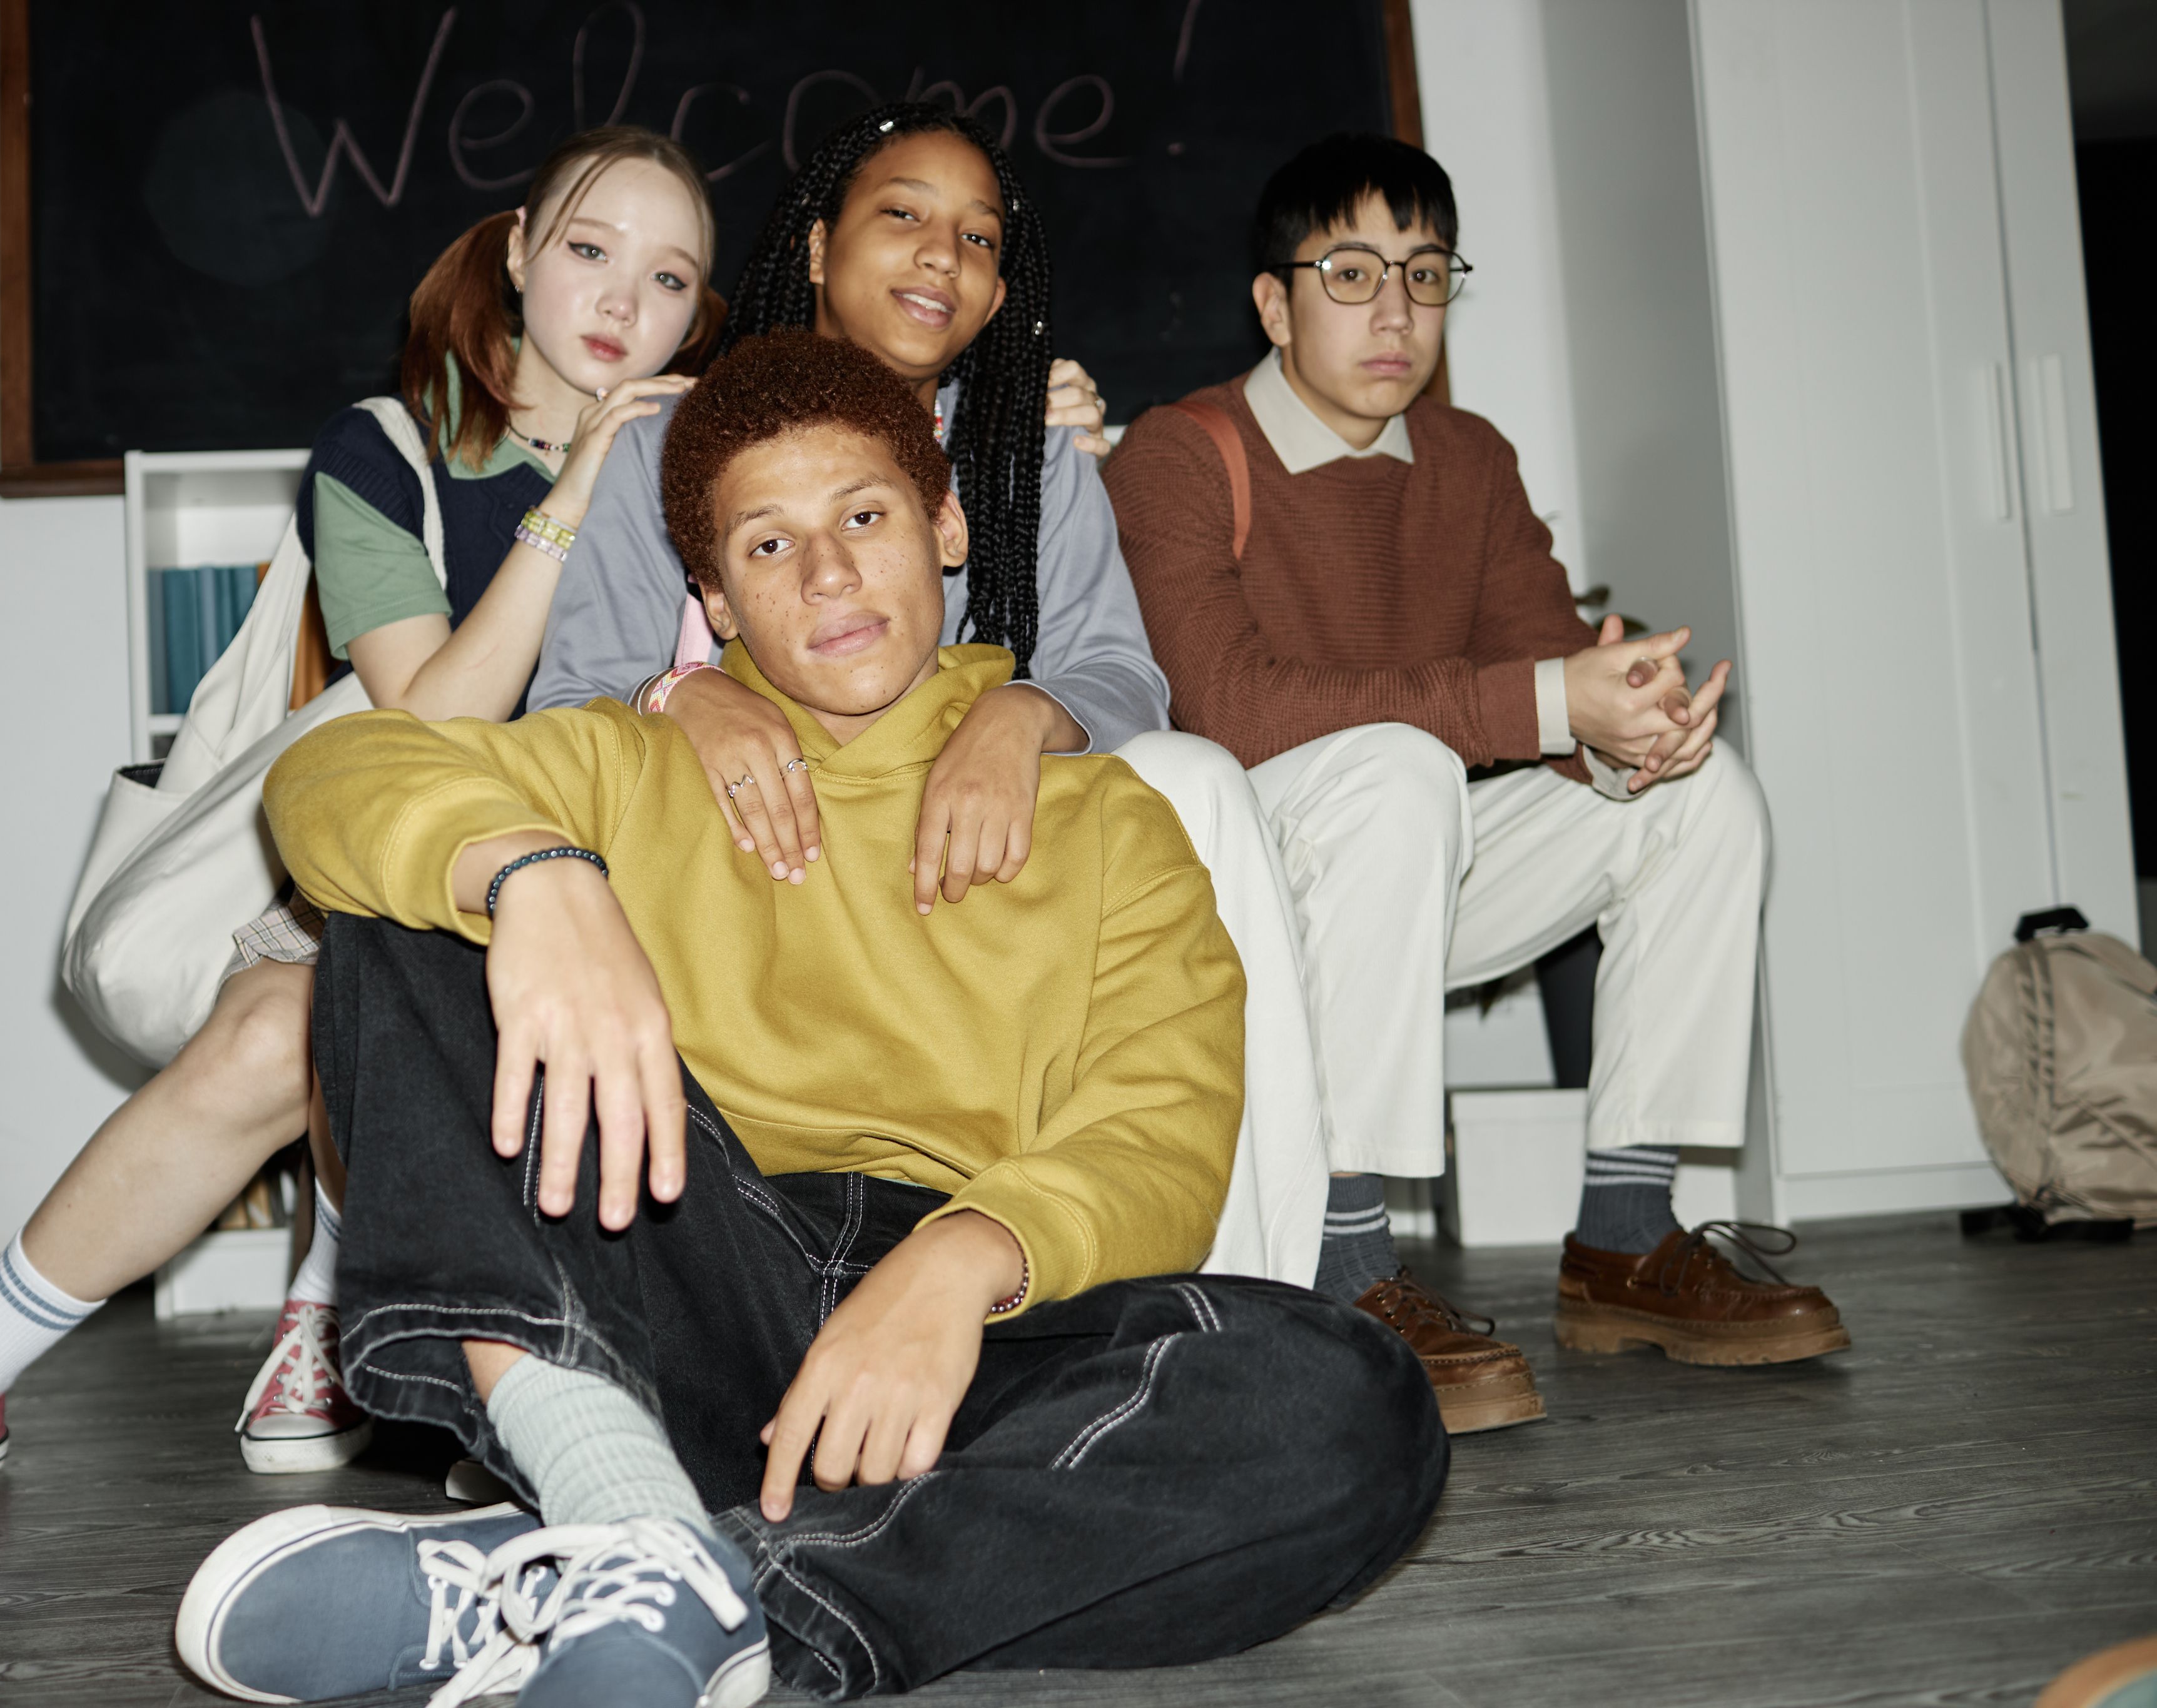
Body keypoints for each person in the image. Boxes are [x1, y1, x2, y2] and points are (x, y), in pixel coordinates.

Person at [175, 329, 1443, 1708]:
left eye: (862, 517)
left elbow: (1165, 1128)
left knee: (1350, 1404)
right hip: (675, 1254)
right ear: (712, 601)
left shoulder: (1107, 818)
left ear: (945, 524)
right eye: (767, 548)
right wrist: (535, 875)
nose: (828, 573)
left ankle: (635, 1572)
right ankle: (627, 1504)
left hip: (961, 1330)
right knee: (406, 917)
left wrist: (962, 1261)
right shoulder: (626, 758)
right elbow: (344, 771)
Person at [0, 128, 726, 1527]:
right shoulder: (381, 450)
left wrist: (1030, 413)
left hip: (611, 885)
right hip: (404, 852)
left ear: (702, 313)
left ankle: (368, 1324)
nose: (623, 303)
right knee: (283, 1030)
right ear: (517, 252)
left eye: (670, 276)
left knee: (444, 1028)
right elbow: (433, 728)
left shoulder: (703, 463)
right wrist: (567, 501)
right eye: (588, 251)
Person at [1102, 133, 1847, 1436]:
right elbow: (1232, 707)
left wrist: (1623, 732)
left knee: (1700, 792)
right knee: (1398, 767)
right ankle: (1341, 1265)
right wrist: (1548, 699)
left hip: (1409, 861)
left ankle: (1623, 1238)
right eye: (1348, 272)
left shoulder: (1469, 460)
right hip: (1235, 894)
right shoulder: (1177, 455)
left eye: (1427, 273)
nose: (1395, 311)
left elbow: (1534, 672)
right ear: (1271, 303)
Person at [529, 100, 1336, 1296]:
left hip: (970, 873)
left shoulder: (1027, 453)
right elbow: (563, 701)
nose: (940, 256)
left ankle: (1254, 1297)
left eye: (979, 239)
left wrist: (1020, 712)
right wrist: (685, 692)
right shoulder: (678, 443)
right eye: (901, 215)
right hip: (765, 870)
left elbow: (1126, 675)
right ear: (816, 246)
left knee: (1195, 781)